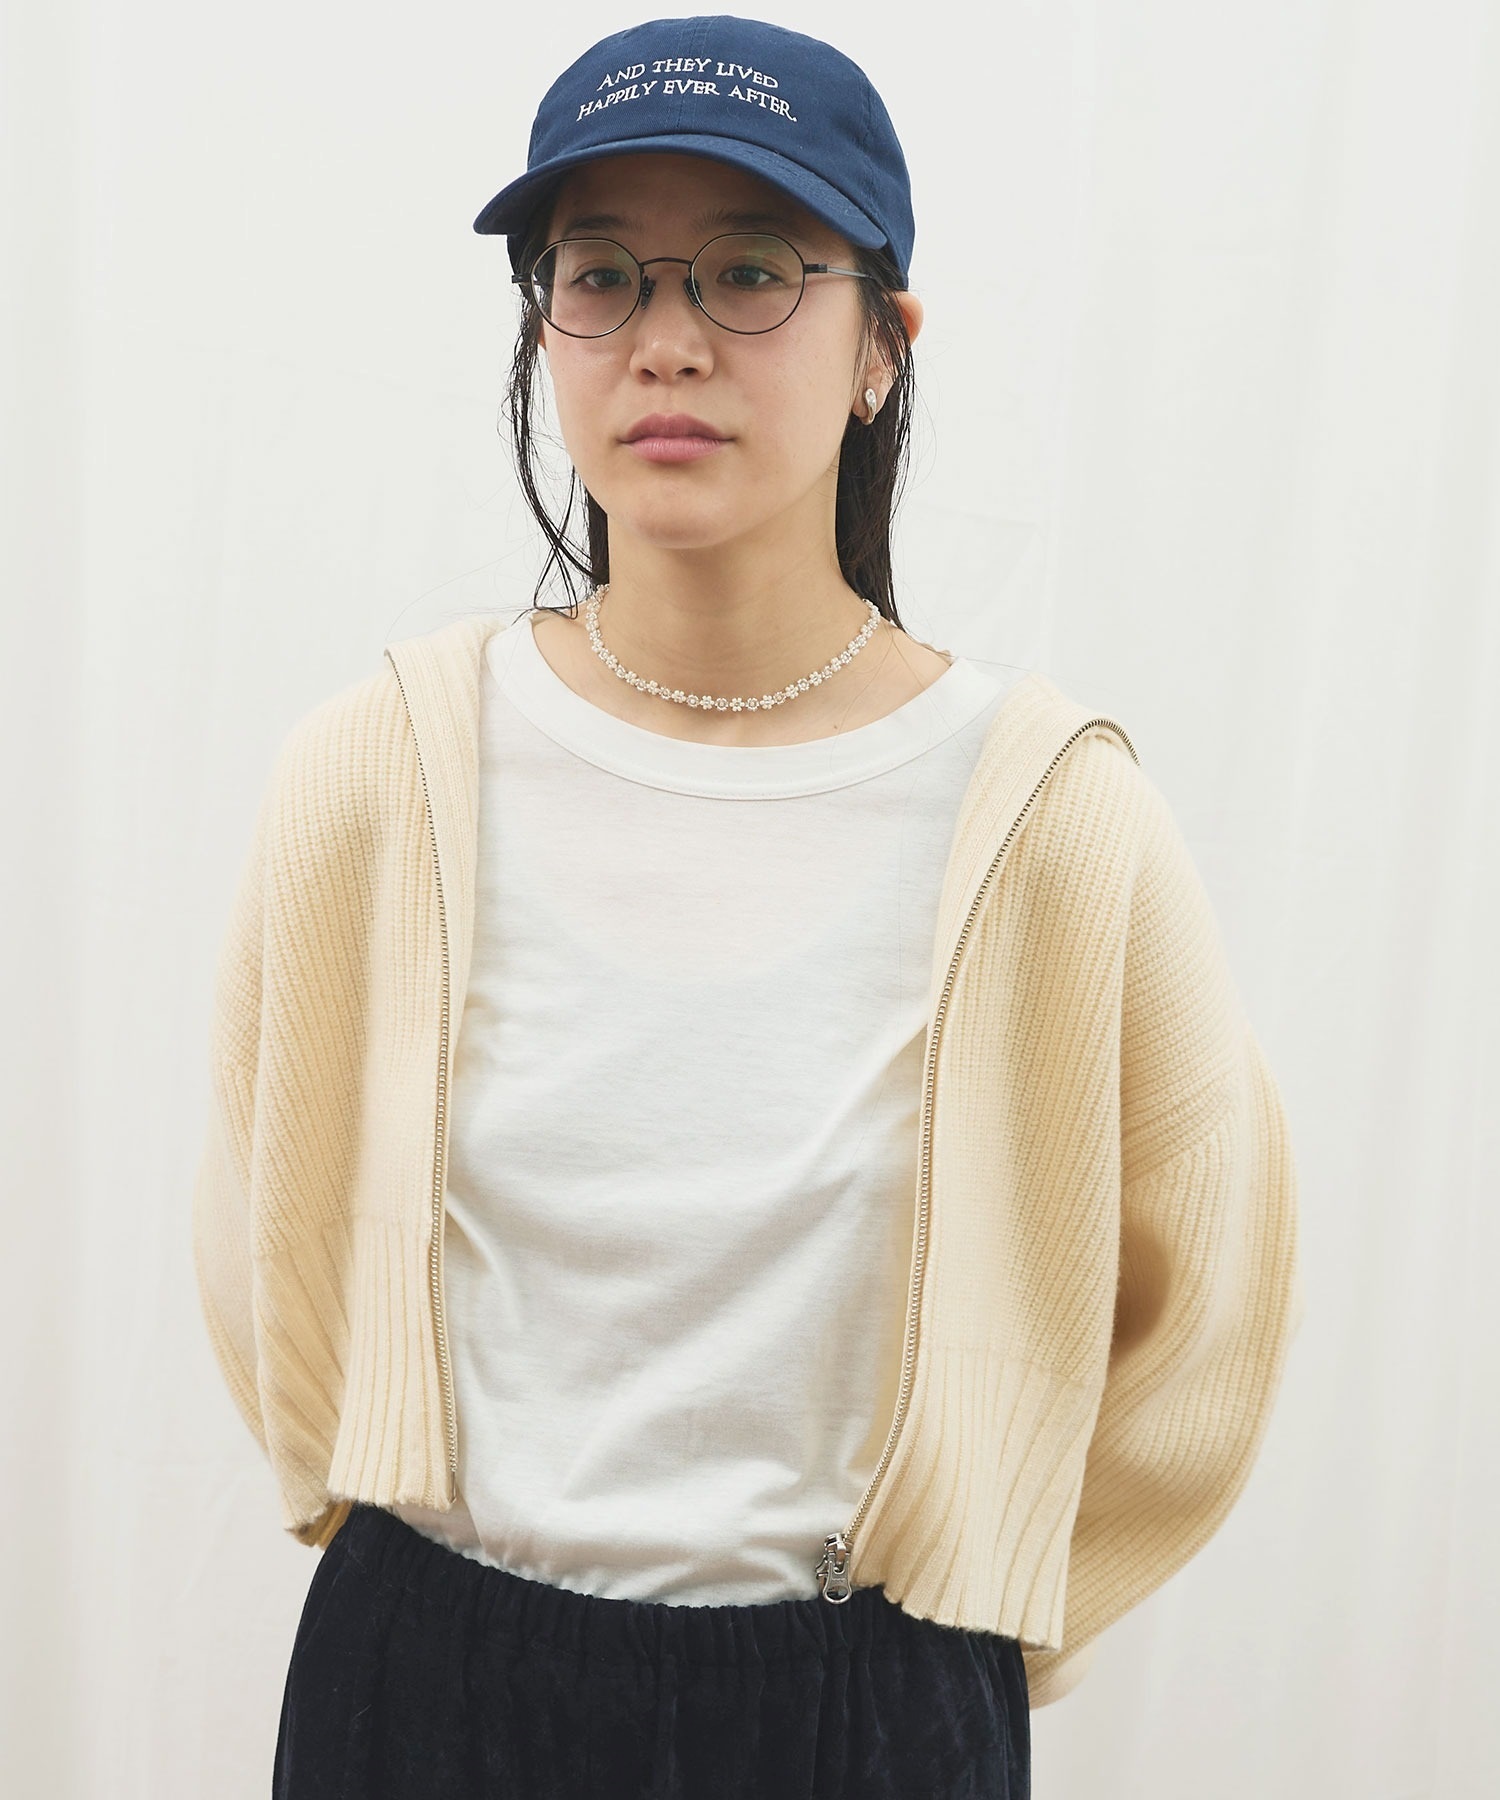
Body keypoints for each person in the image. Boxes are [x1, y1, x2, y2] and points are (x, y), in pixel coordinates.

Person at [191, 15, 1304, 1799]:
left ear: (883, 347)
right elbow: (267, 1223)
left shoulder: (1053, 820)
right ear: (542, 331)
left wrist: (964, 1623)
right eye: (602, 275)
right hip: (426, 1684)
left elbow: (1204, 1308)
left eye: (753, 269)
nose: (670, 339)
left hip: (869, 1708)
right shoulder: (380, 772)